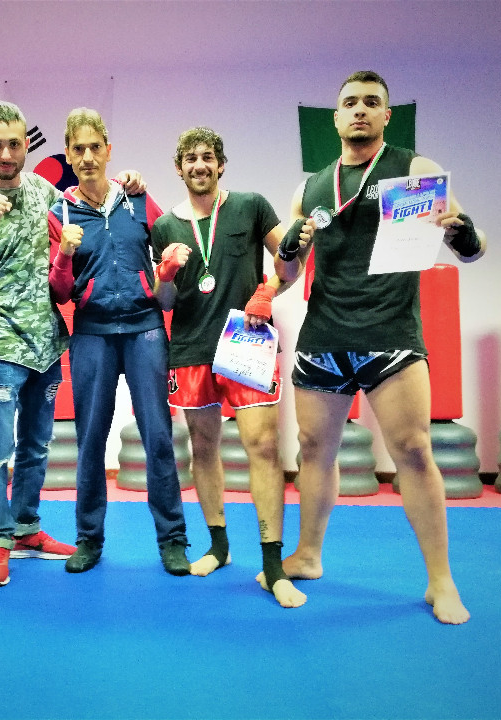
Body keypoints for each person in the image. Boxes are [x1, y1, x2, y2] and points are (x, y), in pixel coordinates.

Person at [267, 70, 483, 624]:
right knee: (313, 449)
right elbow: (288, 277)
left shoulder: (415, 169)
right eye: (350, 103)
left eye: (371, 102)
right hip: (325, 335)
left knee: (413, 450)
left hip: (390, 333)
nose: (360, 110)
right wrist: (287, 251)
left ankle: (440, 580)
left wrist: (462, 231)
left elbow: (471, 247)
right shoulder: (310, 188)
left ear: (387, 115)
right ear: (336, 118)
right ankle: (308, 555)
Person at [0, 101, 146, 587]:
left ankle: (25, 528)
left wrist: (130, 182)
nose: (6, 154)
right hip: (0, 340)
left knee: (37, 445)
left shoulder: (46, 193)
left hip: (47, 339)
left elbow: (92, 194)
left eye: (15, 144)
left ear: (26, 144)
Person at [152, 127, 312, 608]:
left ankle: (273, 566)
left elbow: (292, 261)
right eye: (190, 158)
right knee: (203, 446)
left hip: (247, 342)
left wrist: (268, 291)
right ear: (178, 169)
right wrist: (165, 275)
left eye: (207, 157)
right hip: (191, 347)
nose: (199, 165)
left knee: (263, 446)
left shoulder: (250, 206)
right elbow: (164, 300)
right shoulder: (164, 227)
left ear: (221, 164)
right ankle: (219, 547)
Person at [47, 108, 190, 575]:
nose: (88, 157)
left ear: (108, 151)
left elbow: (170, 250)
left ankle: (173, 538)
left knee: (159, 436)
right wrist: (65, 253)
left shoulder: (138, 200)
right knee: (90, 440)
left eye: (95, 147)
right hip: (91, 333)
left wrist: (167, 268)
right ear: (68, 155)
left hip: (145, 328)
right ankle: (88, 538)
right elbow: (60, 293)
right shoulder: (59, 213)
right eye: (79, 149)